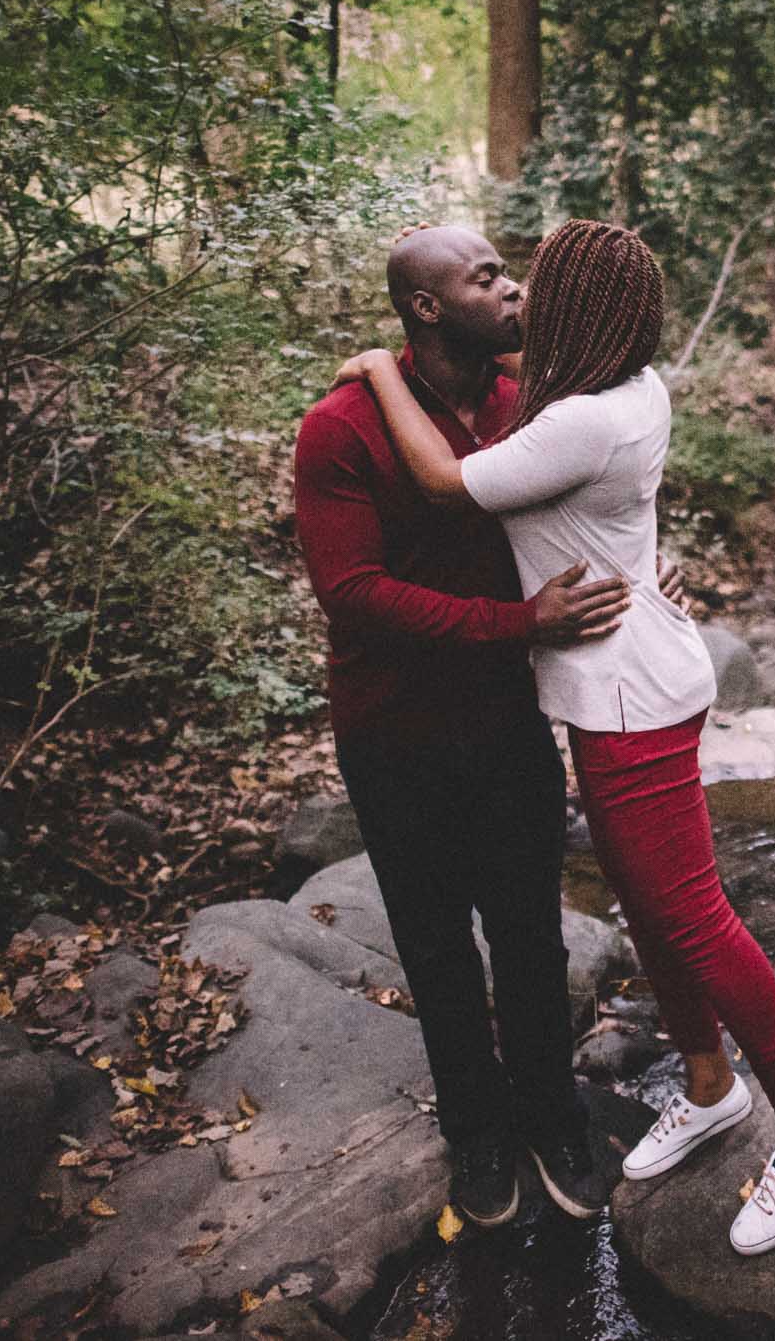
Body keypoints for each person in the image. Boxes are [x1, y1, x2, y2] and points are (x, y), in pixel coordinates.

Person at [335, 217, 775, 1257]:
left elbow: (444, 482)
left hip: (632, 700)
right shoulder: (624, 386)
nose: (519, 298)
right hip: (623, 676)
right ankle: (706, 1087)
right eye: (502, 283)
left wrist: (376, 371)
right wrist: (643, 562)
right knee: (649, 908)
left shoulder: (578, 420)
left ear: (579, 315)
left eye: (535, 287)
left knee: (691, 915)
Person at [293, 224, 638, 1229]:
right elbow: (352, 593)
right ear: (425, 308)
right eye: (486, 277)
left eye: (509, 271)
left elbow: (596, 509)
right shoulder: (342, 427)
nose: (514, 288)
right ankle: (475, 1137)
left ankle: (551, 1117)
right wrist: (517, 624)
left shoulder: (530, 402)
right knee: (436, 946)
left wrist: (648, 569)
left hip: (508, 723)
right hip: (392, 730)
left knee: (531, 935)